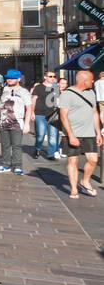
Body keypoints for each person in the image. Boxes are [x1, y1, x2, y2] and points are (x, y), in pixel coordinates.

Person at [60, 69, 102, 198]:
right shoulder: (67, 94)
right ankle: (74, 189)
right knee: (73, 161)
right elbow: (63, 116)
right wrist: (71, 135)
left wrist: (98, 133)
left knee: (93, 160)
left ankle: (85, 180)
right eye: (91, 80)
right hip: (73, 133)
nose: (93, 81)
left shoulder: (91, 93)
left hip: (89, 133)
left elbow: (95, 113)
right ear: (84, 81)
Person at [0, 70, 34, 175]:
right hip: (3, 121)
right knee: (4, 144)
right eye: (8, 78)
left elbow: (29, 108)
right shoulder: (3, 90)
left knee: (17, 145)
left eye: (12, 78)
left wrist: (27, 124)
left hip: (17, 122)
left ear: (19, 79)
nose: (9, 80)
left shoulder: (24, 92)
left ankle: (17, 165)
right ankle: (5, 164)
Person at [30, 71, 61, 160]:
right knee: (41, 134)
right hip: (40, 113)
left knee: (53, 135)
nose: (52, 78)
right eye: (50, 76)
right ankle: (38, 148)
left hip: (53, 114)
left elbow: (57, 100)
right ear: (45, 77)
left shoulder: (56, 87)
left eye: (54, 76)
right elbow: (34, 100)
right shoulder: (39, 87)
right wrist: (32, 112)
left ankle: (50, 154)